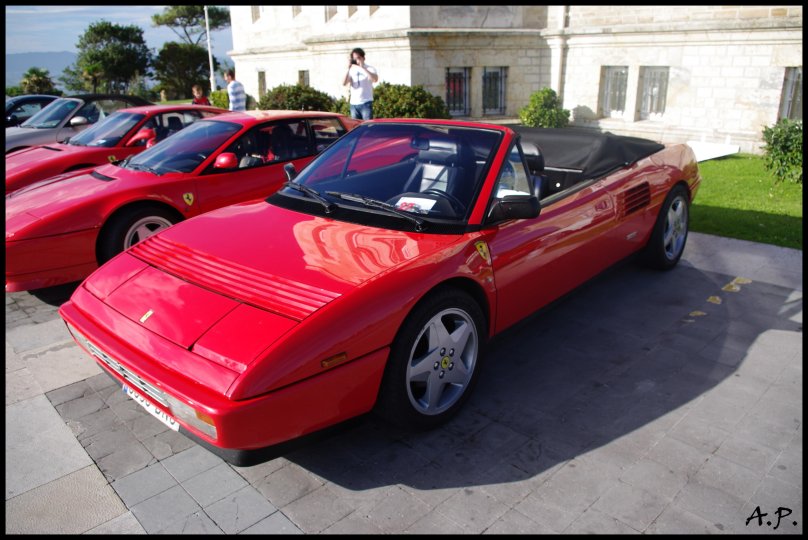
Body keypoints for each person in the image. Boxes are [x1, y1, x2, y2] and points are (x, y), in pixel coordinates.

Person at [343, 47, 378, 120]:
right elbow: (344, 83)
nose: (356, 60)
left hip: (366, 103)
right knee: (356, 127)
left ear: (363, 58)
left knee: (367, 127)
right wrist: (348, 68)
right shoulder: (352, 70)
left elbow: (375, 79)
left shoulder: (369, 68)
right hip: (354, 104)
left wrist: (363, 68)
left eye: (358, 58)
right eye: (354, 58)